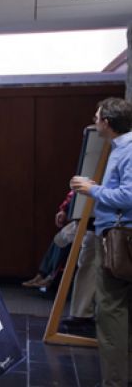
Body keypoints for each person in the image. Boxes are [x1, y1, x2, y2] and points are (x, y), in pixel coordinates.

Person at [70, 97, 132, 387]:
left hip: (119, 240)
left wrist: (92, 191)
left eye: (96, 117)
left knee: (111, 312)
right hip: (118, 237)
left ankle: (115, 381)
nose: (94, 122)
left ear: (106, 122)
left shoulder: (127, 150)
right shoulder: (121, 149)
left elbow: (129, 196)